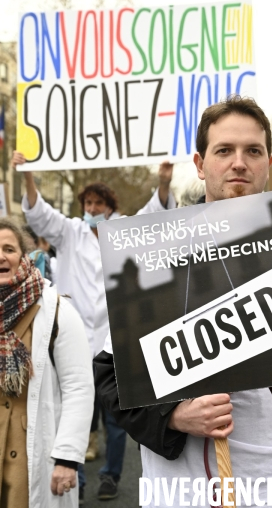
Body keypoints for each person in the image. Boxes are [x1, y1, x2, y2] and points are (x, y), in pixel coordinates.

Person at [94, 96, 272, 508]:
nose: (239, 162)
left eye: (252, 151)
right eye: (224, 150)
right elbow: (111, 377)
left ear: (268, 162)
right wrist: (172, 417)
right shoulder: (149, 259)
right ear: (201, 164)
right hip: (178, 493)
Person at [12, 152, 175, 503]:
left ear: (109, 206)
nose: (91, 207)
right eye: (87, 202)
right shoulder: (70, 232)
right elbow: (40, 215)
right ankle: (78, 478)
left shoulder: (125, 229)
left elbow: (155, 217)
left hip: (118, 339)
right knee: (76, 412)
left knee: (116, 418)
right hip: (74, 339)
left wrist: (163, 183)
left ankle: (111, 475)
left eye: (98, 202)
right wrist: (26, 175)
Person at [0, 218, 93, 507]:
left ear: (23, 256)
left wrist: (67, 457)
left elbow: (79, 388)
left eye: (9, 249)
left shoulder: (57, 310)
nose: (1, 256)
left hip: (31, 457)